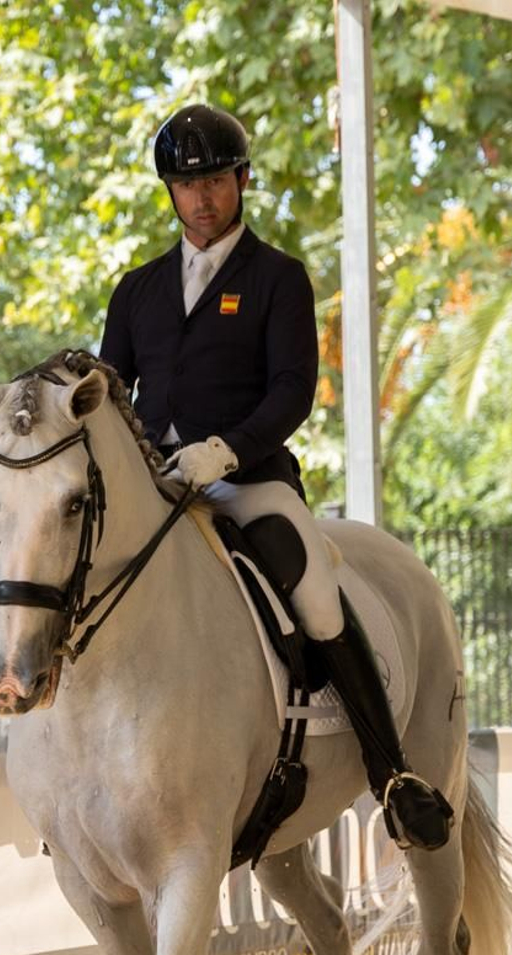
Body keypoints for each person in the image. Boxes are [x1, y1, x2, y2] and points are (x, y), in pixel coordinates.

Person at [98, 103, 453, 851]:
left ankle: (392, 774)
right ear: (169, 192)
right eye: (187, 185)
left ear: (243, 181)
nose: (203, 198)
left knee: (317, 597)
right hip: (161, 485)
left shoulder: (279, 279)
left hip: (246, 479)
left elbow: (293, 389)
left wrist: (223, 452)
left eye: (217, 182)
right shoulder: (137, 290)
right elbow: (114, 392)